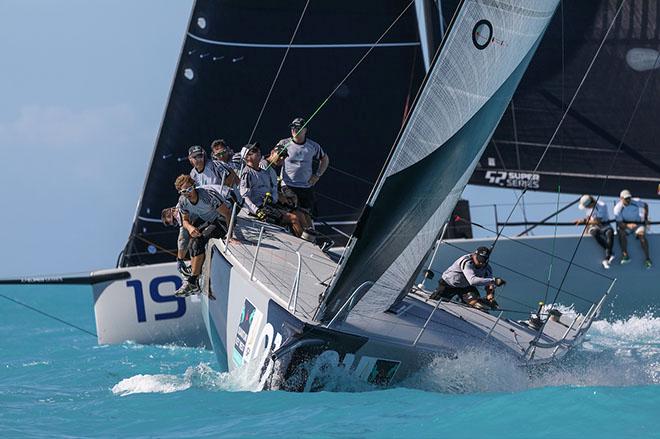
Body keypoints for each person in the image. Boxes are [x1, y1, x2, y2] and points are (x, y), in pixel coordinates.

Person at [173, 175, 234, 298]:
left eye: (189, 189)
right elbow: (184, 221)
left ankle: (192, 281)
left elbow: (228, 213)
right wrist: (190, 228)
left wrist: (230, 235)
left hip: (223, 219)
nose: (188, 193)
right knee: (193, 243)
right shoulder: (183, 201)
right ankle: (194, 280)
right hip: (211, 221)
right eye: (184, 191)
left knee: (200, 240)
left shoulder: (207, 196)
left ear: (194, 186)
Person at [240, 143, 309, 237]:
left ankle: (311, 240)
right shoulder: (247, 173)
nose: (258, 151)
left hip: (269, 205)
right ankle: (305, 243)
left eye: (257, 149)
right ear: (247, 157)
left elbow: (271, 189)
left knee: (301, 214)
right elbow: (244, 196)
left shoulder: (263, 172)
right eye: (254, 151)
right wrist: (256, 210)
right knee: (293, 218)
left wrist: (278, 197)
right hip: (259, 208)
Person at [277, 117, 330, 216]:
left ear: (305, 130)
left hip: (306, 187)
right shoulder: (283, 143)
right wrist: (278, 157)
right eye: (292, 128)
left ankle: (307, 230)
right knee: (294, 212)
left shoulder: (313, 146)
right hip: (287, 186)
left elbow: (325, 159)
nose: (294, 130)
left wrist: (317, 175)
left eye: (298, 128)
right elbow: (274, 157)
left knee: (309, 214)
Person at [430, 247, 505, 310]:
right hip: (448, 284)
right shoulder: (466, 262)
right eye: (479, 260)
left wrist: (490, 298)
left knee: (478, 305)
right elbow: (472, 281)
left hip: (465, 287)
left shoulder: (487, 269)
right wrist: (494, 281)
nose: (481, 263)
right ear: (474, 255)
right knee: (434, 304)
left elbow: (489, 284)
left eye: (484, 261)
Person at [613, 189, 651, 268]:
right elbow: (620, 224)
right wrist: (628, 225)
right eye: (626, 198)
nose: (628, 200)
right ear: (621, 199)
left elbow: (645, 205)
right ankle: (625, 255)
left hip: (638, 224)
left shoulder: (636, 201)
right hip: (625, 225)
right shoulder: (617, 209)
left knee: (642, 236)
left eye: (629, 198)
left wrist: (646, 218)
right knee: (621, 234)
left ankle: (647, 259)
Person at [575, 194, 615, 269]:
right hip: (594, 226)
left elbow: (597, 221)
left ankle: (607, 257)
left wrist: (583, 221)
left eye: (587, 206)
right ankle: (610, 252)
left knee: (609, 232)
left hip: (604, 225)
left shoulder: (602, 205)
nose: (586, 208)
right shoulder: (588, 208)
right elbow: (588, 218)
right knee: (594, 233)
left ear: (591, 203)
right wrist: (585, 231)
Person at [161, 206, 192, 277]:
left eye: (175, 221)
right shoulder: (181, 203)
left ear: (171, 211)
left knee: (194, 247)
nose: (177, 222)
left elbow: (182, 239)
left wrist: (180, 259)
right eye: (175, 223)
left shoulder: (179, 212)